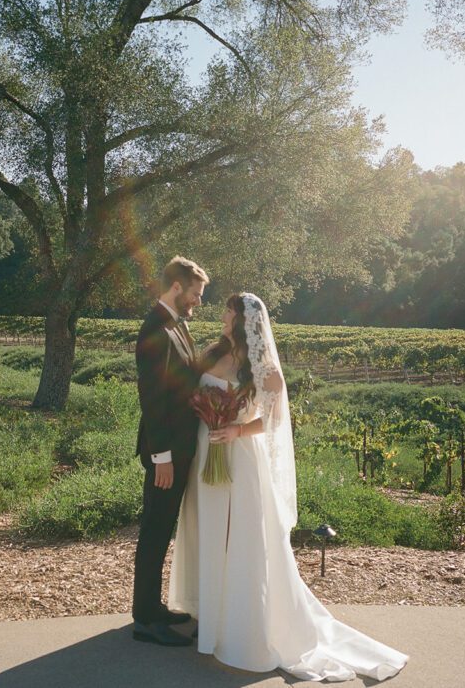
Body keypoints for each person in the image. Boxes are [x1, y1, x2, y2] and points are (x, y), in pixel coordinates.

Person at [169, 292, 409, 681]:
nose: (224, 314)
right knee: (208, 530)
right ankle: (209, 615)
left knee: (239, 537)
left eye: (230, 311)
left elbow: (275, 421)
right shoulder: (214, 352)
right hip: (205, 453)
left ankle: (239, 622)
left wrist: (236, 429)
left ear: (246, 321)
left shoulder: (264, 369)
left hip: (239, 456)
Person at [131, 256, 208, 647]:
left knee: (162, 531)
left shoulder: (176, 325)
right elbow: (153, 398)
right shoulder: (155, 330)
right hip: (167, 454)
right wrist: (160, 456)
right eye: (195, 294)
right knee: (155, 532)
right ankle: (145, 619)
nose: (197, 301)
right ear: (177, 287)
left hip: (179, 448)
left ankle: (154, 608)